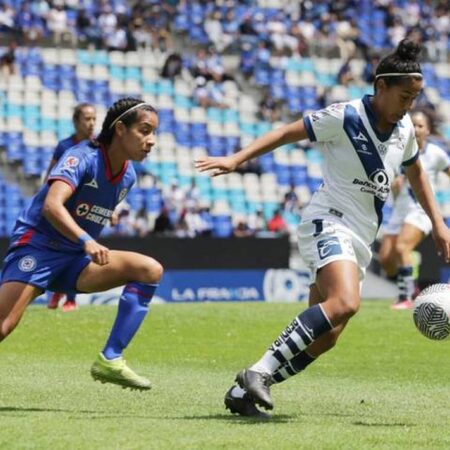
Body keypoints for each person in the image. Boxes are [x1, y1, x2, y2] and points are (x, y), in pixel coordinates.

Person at [195, 39, 450, 417]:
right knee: (345, 302)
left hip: (361, 237)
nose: (409, 106)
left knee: (327, 335)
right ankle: (259, 372)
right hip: (328, 221)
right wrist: (237, 159)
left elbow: (417, 175)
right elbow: (285, 132)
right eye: (404, 96)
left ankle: (241, 390)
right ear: (381, 87)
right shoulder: (345, 115)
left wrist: (439, 225)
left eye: (414, 98)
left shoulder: (405, 130)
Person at [0, 97, 163, 390]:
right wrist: (87, 240)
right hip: (39, 248)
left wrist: (92, 233)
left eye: (154, 133)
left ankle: (110, 359)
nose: (151, 141)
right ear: (120, 129)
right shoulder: (82, 156)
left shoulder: (128, 176)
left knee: (149, 270)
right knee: (4, 326)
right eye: (144, 130)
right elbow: (52, 205)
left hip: (75, 260)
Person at [379, 110, 450, 310]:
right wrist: (394, 185)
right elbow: (390, 182)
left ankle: (406, 296)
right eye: (413, 125)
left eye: (420, 125)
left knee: (402, 247)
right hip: (399, 210)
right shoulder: (399, 150)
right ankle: (412, 274)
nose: (416, 129)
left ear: (427, 130)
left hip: (421, 210)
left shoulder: (435, 154)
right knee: (386, 260)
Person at [46, 103, 97, 312]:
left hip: (88, 207)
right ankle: (60, 294)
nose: (92, 123)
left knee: (79, 250)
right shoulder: (64, 146)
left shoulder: (98, 146)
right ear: (76, 121)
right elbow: (51, 175)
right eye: (87, 118)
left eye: (94, 118)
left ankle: (68, 298)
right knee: (65, 250)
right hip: (66, 208)